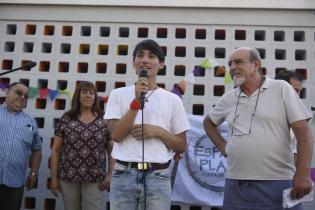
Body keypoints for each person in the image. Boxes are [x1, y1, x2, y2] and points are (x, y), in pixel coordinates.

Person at [203, 47, 313, 210]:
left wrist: (304, 173)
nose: (232, 67)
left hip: (278, 182)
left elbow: (303, 131)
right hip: (236, 184)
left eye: (238, 62)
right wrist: (222, 146)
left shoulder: (280, 88)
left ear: (256, 65)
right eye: (230, 64)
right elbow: (209, 122)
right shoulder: (229, 98)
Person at [104, 39, 189, 210]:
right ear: (134, 63)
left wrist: (158, 132)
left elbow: (181, 145)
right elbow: (116, 135)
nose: (145, 60)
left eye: (151, 56)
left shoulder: (173, 100)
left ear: (162, 64)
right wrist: (136, 102)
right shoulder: (118, 94)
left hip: (158, 176)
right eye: (140, 55)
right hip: (123, 174)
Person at [50, 81, 114, 210]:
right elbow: (56, 149)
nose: (88, 96)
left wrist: (110, 174)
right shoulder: (67, 118)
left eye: (92, 93)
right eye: (84, 92)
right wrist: (53, 177)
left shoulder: (104, 120)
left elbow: (111, 149)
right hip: (68, 175)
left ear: (95, 97)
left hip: (94, 176)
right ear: (77, 96)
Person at [0, 82, 42, 210]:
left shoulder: (30, 123)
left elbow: (36, 149)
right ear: (7, 91)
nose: (23, 97)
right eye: (19, 92)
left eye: (26, 96)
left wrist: (33, 173)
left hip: (15, 182)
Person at [275, 69, 304, 164]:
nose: (297, 95)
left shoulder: (299, 116)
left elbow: (295, 152)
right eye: (294, 90)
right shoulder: (257, 108)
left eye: (299, 91)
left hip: (286, 173)